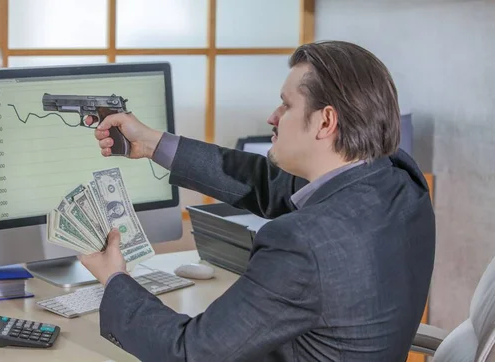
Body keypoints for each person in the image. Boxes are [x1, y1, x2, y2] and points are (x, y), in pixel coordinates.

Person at [78, 40, 436, 361]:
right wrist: (153, 144)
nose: (272, 117)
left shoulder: (303, 243)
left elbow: (189, 353)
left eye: (285, 105)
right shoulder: (400, 182)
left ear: (326, 121)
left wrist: (114, 279)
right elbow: (268, 184)